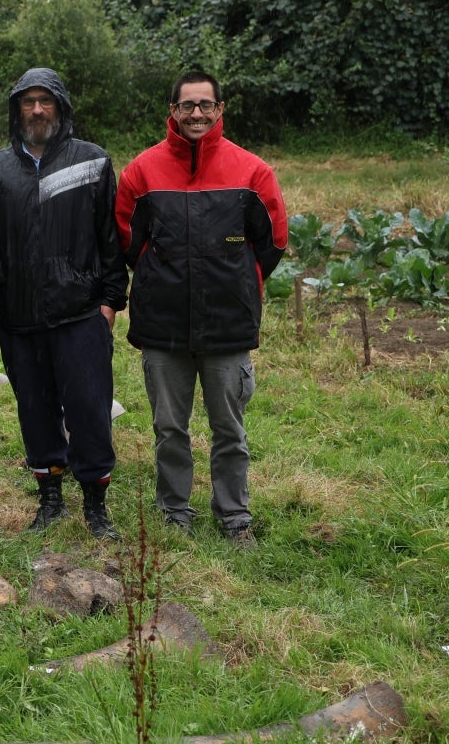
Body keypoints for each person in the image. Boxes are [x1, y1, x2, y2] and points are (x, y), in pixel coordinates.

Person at [115, 71, 288, 549]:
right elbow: (127, 240)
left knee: (228, 428)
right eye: (187, 105)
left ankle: (234, 516)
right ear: (171, 111)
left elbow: (272, 242)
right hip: (162, 327)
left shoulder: (253, 172)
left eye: (205, 105)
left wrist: (238, 283)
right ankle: (175, 512)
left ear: (219, 110)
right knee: (169, 428)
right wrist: (157, 279)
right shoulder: (141, 172)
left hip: (227, 325)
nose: (196, 114)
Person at [0, 68, 128, 540]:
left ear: (60, 106)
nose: (37, 110)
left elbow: (111, 239)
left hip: (81, 314)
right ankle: (49, 500)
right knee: (35, 411)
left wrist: (109, 301)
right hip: (19, 320)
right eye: (28, 102)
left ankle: (96, 507)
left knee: (90, 411)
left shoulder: (93, 162)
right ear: (16, 109)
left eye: (46, 101)